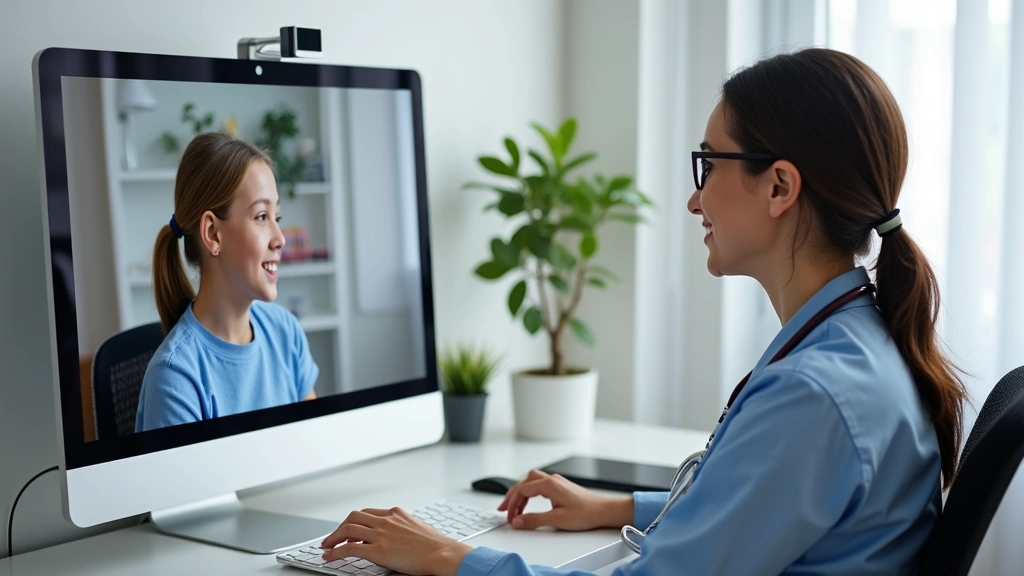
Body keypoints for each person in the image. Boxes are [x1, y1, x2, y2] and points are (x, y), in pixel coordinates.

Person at [313, 48, 968, 576]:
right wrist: (619, 506)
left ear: (779, 187)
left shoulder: (814, 397)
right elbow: (764, 507)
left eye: (708, 165)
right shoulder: (857, 340)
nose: (694, 200)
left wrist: (449, 557)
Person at [135, 133, 318, 432]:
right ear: (213, 234)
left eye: (277, 216)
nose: (280, 239)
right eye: (261, 216)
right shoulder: (174, 378)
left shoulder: (286, 332)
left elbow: (315, 443)